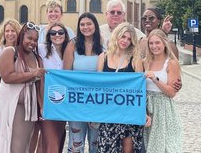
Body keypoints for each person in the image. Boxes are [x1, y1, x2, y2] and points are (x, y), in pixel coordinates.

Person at [0, 22, 46, 153]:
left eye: (35, 40)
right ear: (22, 36)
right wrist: (32, 73)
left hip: (29, 109)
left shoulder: (37, 58)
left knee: (24, 145)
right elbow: (7, 77)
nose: (33, 42)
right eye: (29, 38)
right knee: (12, 145)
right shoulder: (9, 52)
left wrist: (41, 106)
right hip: (11, 108)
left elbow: (39, 85)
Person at [96, 23, 149, 153]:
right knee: (107, 149)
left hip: (129, 112)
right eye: (123, 37)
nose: (125, 41)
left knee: (128, 150)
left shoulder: (135, 59)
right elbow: (97, 86)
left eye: (129, 38)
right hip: (108, 113)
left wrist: (144, 112)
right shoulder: (103, 57)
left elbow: (140, 89)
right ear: (116, 36)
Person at [63, 12, 103, 153]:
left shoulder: (103, 44)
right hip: (77, 102)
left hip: (97, 102)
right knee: (76, 143)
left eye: (88, 24)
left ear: (95, 26)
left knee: (96, 144)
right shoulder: (72, 45)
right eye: (82, 24)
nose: (85, 27)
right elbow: (65, 74)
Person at [142, 29, 182, 152]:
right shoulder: (145, 62)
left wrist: (155, 79)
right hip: (148, 108)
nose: (154, 46)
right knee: (148, 145)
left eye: (157, 43)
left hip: (164, 109)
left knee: (166, 147)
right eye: (151, 43)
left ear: (164, 43)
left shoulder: (171, 63)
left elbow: (171, 92)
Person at [37, 23, 70, 153]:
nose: (57, 35)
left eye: (60, 32)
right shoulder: (41, 49)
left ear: (65, 34)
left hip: (63, 103)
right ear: (49, 36)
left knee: (58, 137)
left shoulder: (70, 50)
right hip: (46, 101)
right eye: (53, 33)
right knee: (51, 140)